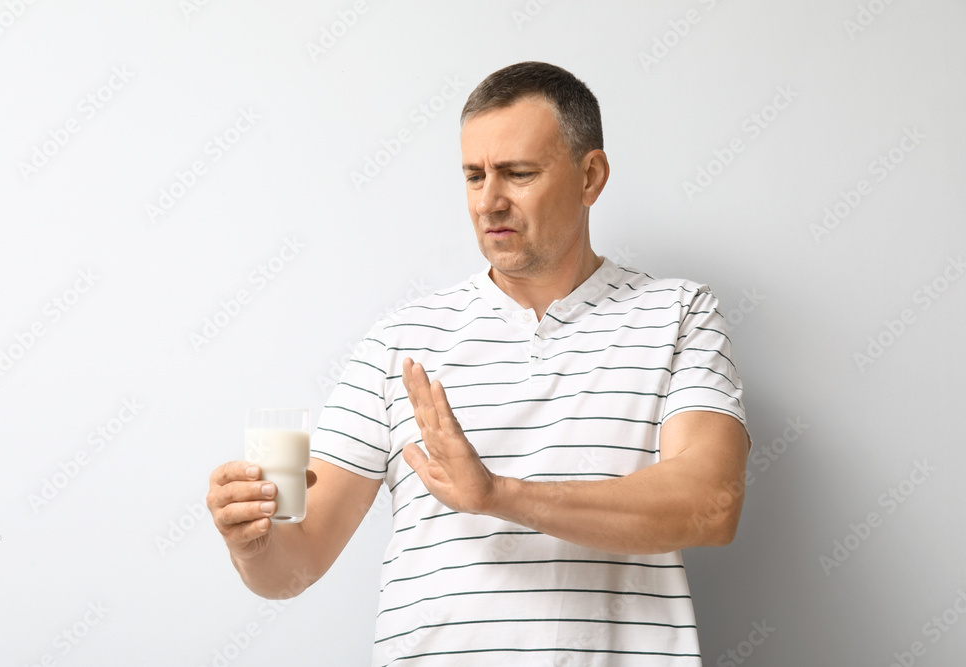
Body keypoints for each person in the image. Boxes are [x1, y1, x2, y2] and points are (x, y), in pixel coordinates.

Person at [207, 61, 750, 666]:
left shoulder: (677, 314)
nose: (489, 201)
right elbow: (296, 566)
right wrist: (253, 545)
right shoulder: (400, 340)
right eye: (473, 176)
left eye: (518, 173)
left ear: (590, 175)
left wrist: (499, 495)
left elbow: (712, 504)